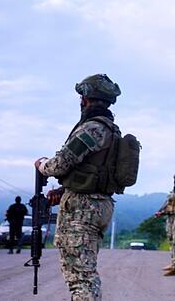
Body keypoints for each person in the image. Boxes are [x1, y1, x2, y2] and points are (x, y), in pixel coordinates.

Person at [34, 74, 122, 301]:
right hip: (98, 204)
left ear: (85, 99)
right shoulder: (112, 130)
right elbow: (95, 171)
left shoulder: (93, 128)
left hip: (82, 208)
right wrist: (65, 190)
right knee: (85, 273)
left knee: (81, 278)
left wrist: (42, 164)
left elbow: (61, 163)